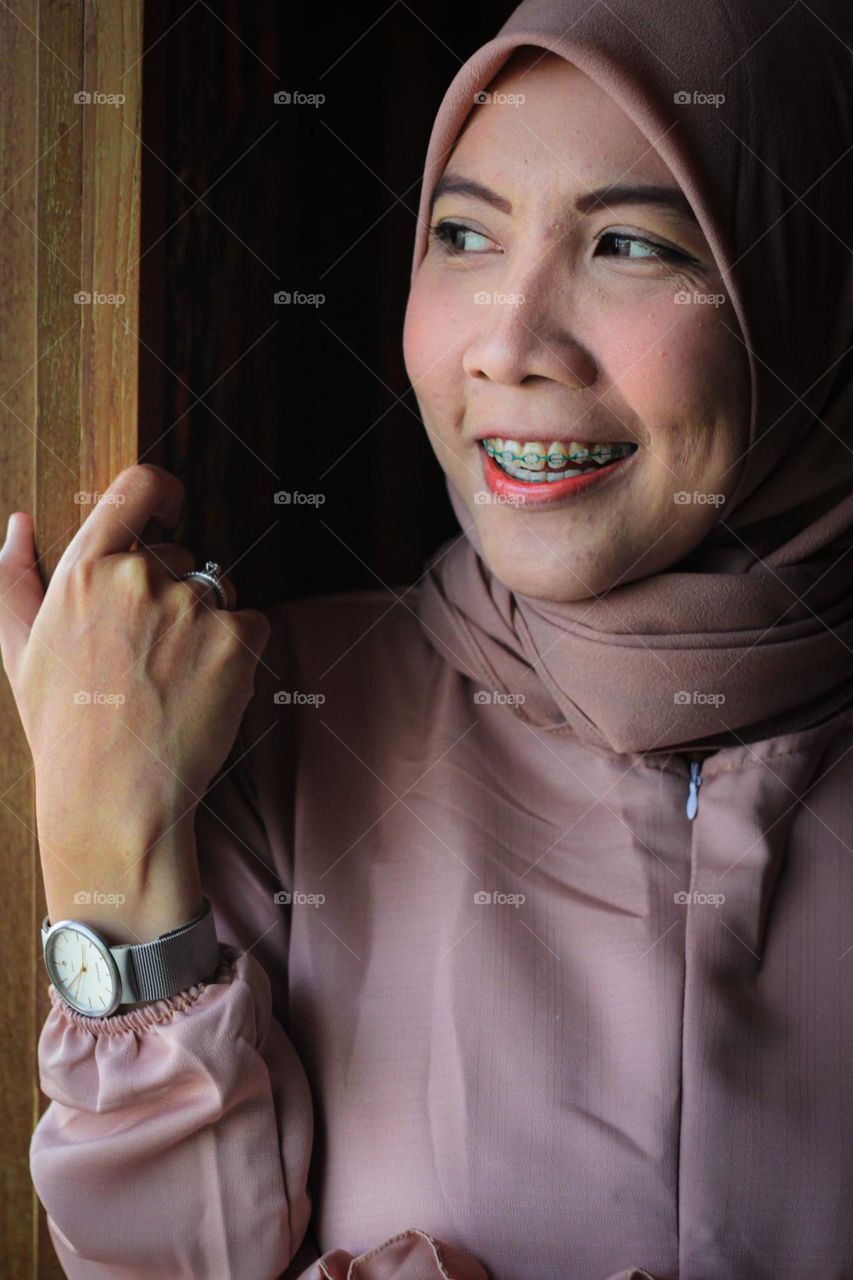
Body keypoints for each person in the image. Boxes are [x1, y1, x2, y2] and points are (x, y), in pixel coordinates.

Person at [4, 0, 853, 1276]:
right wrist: (103, 860)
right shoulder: (270, 724)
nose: (507, 346)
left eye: (626, 243)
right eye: (463, 234)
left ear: (804, 286)